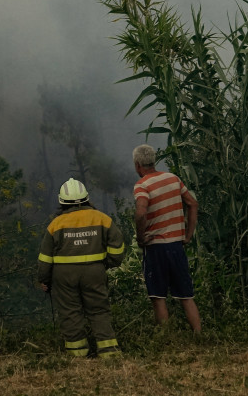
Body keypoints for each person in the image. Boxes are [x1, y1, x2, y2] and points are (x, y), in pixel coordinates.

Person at [36, 178, 126, 358]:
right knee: (99, 310)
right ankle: (109, 353)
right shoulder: (102, 219)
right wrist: (105, 265)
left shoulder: (55, 224)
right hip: (94, 272)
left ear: (62, 202)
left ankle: (78, 354)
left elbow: (45, 259)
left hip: (64, 276)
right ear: (86, 198)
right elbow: (118, 249)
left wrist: (44, 280)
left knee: (70, 312)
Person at [132, 144, 202, 333]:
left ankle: (166, 339)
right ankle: (199, 335)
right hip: (176, 247)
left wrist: (140, 237)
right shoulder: (173, 179)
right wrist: (187, 235)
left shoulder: (142, 185)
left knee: (158, 297)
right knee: (186, 296)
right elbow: (192, 204)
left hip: (156, 248)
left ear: (138, 165)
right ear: (153, 161)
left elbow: (140, 213)